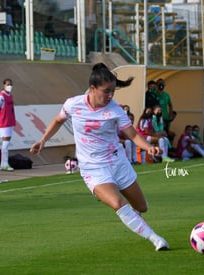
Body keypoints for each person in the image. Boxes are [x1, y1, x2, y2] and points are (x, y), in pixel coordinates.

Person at [30, 63, 169, 251]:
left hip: (118, 163)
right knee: (117, 203)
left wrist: (149, 147)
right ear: (93, 88)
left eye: (113, 91)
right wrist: (43, 140)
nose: (110, 96)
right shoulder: (73, 104)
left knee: (142, 207)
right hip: (93, 168)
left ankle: (134, 217)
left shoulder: (115, 109)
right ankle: (155, 239)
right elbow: (57, 120)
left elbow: (133, 135)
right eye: (107, 91)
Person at [0, 78, 16, 171]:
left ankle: (3, 164)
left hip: (9, 120)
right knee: (5, 142)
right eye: (8, 84)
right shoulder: (1, 96)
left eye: (11, 84)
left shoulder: (10, 96)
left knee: (7, 141)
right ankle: (4, 164)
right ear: (4, 85)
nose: (9, 86)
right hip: (4, 121)